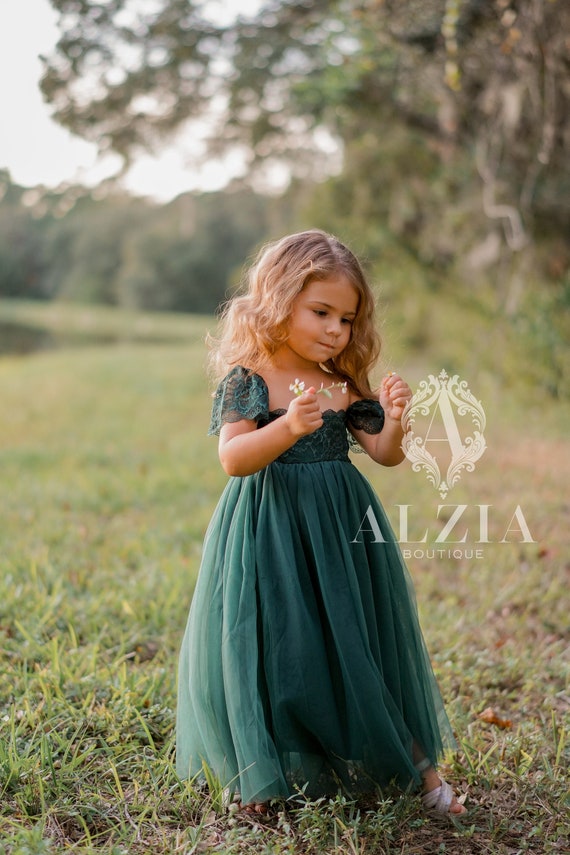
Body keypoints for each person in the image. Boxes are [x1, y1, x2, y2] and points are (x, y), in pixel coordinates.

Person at [176, 229, 466, 817]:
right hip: (270, 532)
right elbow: (234, 460)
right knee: (274, 643)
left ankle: (417, 772)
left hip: (341, 532)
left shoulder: (340, 383)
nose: (336, 330)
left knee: (354, 641)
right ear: (278, 301)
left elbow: (384, 454)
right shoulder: (249, 379)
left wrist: (398, 421)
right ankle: (263, 773)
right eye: (322, 312)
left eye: (348, 319)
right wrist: (285, 428)